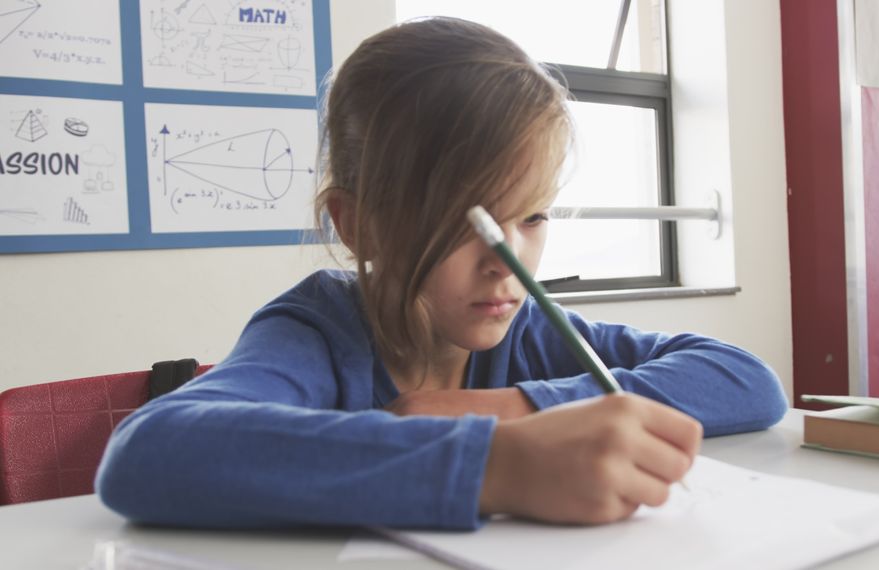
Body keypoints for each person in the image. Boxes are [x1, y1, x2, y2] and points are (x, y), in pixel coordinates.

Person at [96, 17, 787, 530]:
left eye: (535, 219)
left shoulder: (529, 335)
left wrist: (509, 407)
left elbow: (747, 381)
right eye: (469, 225)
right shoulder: (317, 334)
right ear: (357, 222)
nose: (505, 264)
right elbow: (148, 453)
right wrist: (500, 462)